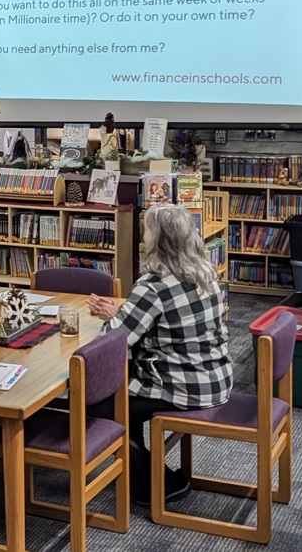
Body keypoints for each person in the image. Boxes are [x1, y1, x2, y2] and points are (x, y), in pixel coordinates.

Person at [87, 203, 232, 507]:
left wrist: (115, 317)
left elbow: (112, 341)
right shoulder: (205, 271)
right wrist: (126, 311)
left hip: (182, 387)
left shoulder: (153, 285)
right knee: (126, 402)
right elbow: (171, 321)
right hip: (216, 378)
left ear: (157, 241)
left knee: (102, 406)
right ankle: (148, 473)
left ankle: (155, 482)